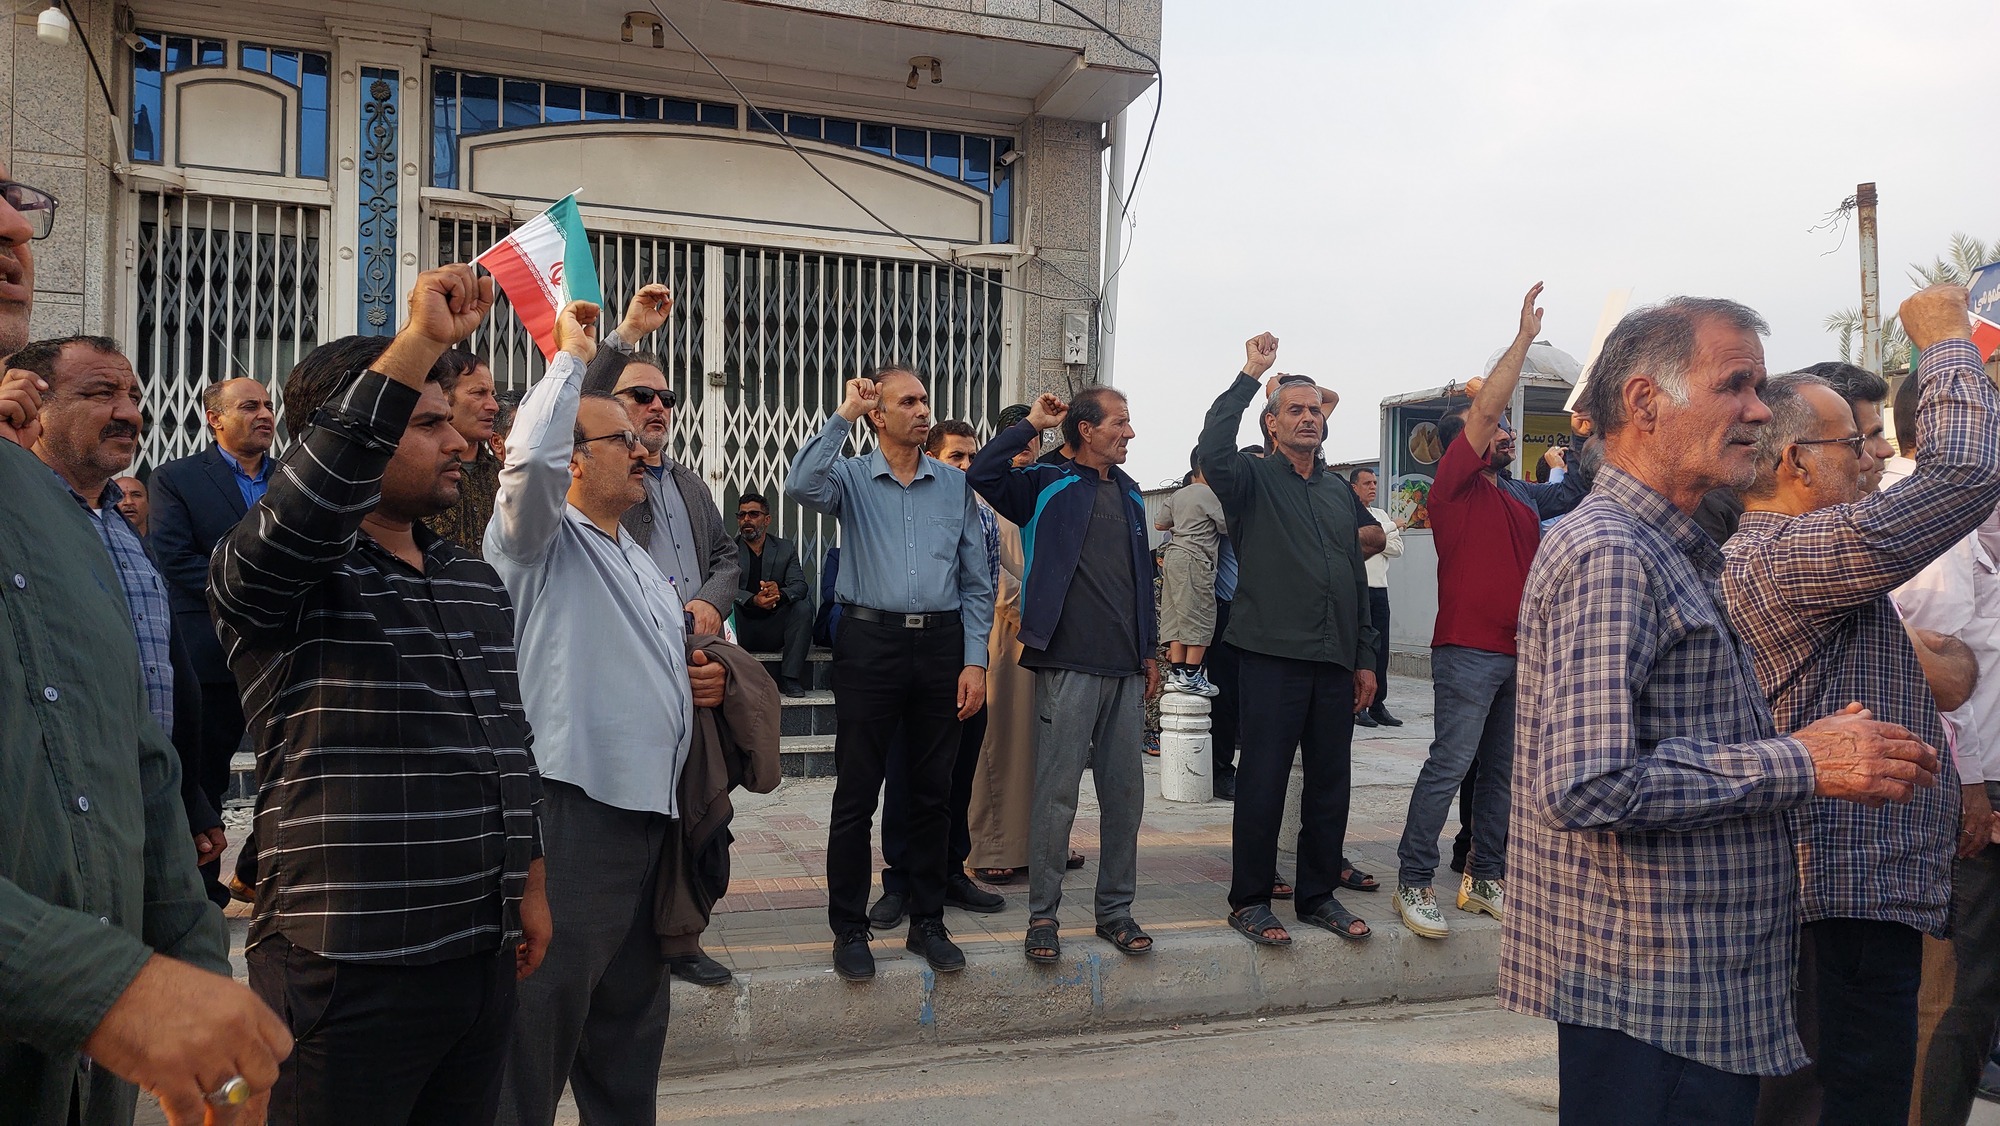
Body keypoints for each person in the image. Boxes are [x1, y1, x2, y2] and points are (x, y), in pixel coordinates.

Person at [1501, 294, 1944, 1124]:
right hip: (1652, 995)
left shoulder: (1672, 548)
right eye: (1735, 386)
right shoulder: (1612, 552)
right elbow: (1586, 785)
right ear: (1644, 402)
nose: (1758, 411)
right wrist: (1802, 760)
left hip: (1694, 988)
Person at [210, 265, 551, 1125]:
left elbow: (509, 741)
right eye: (427, 423)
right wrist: (422, 341)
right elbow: (309, 505)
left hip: (478, 958)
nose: (460, 443)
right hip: (345, 964)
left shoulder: (469, 576)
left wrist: (530, 884)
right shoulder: (278, 570)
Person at [0, 164, 292, 1126]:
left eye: (18, 205)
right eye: (98, 393)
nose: (13, 229)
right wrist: (109, 990)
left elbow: (134, 756)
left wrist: (197, 982)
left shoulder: (72, 524)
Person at [1722, 288, 2000, 1125]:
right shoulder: (1791, 552)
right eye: (1857, 442)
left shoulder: (1812, 559)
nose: (1878, 456)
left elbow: (1956, 674)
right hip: (1825, 903)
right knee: (1827, 1102)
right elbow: (1963, 475)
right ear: (1794, 463)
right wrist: (1946, 340)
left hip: (1855, 896)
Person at [485, 300, 728, 1125]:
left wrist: (697, 685)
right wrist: (571, 358)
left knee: (628, 1038)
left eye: (641, 437)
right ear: (572, 461)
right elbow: (527, 462)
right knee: (537, 1034)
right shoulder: (536, 542)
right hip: (572, 818)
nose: (643, 449)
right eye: (621, 439)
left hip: (647, 823)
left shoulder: (635, 556)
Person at [1392, 284, 1588, 941]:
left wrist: (1591, 430)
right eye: (1499, 429)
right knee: (1450, 765)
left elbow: (1578, 488)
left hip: (1519, 652)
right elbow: (1484, 410)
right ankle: (1414, 880)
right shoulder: (1454, 487)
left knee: (1501, 774)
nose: (1508, 433)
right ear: (1470, 444)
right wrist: (1525, 339)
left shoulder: (1519, 496)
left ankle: (1484, 877)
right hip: (1469, 650)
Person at [787, 364, 993, 981]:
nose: (923, 410)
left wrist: (975, 660)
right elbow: (800, 485)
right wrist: (842, 415)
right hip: (869, 644)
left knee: (933, 793)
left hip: (941, 645)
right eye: (908, 402)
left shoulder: (953, 485)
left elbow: (976, 581)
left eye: (925, 400)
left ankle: (928, 921)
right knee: (856, 794)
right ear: (878, 415)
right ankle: (849, 929)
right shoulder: (850, 478)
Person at [14, 335, 226, 899]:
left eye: (132, 395)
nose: (129, 413)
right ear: (34, 407)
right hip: (56, 814)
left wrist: (187, 794)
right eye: (100, 393)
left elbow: (163, 668)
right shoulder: (18, 518)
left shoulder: (120, 524)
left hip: (146, 804)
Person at [1198, 335, 1377, 947]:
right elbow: (1212, 446)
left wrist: (1365, 658)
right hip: (1272, 658)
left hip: (1334, 660)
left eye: (1315, 410)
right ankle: (1249, 900)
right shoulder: (1249, 479)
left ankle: (1318, 895)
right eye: (1295, 409)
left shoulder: (1336, 492)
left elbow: (1354, 576)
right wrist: (1251, 373)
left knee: (1329, 784)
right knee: (1263, 783)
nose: (1308, 418)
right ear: (1272, 424)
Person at [970, 391, 1158, 962]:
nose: (1131, 433)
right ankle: (1043, 916)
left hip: (1125, 667)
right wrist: (1033, 423)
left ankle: (1116, 911)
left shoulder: (1131, 491)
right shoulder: (1043, 480)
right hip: (1067, 663)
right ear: (1086, 428)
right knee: (1056, 796)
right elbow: (983, 472)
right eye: (1120, 423)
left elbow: (1140, 577)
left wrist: (1149, 652)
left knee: (1125, 798)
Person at [1898, 406, 2000, 1126]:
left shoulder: (1975, 532)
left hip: (1977, 779)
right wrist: (1972, 791)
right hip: (1965, 788)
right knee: (1956, 991)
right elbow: (1939, 682)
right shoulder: (1941, 535)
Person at [870, 419, 1008, 927]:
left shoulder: (983, 515)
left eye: (972, 457)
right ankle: (900, 881)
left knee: (959, 771)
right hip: (913, 654)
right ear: (931, 459)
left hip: (966, 655)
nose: (967, 467)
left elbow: (982, 589)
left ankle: (950, 871)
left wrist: (976, 661)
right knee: (906, 772)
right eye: (956, 457)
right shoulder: (909, 508)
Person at [150, 373, 276, 900]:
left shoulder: (293, 478)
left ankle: (269, 879)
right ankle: (200, 893)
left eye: (267, 405)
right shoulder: (176, 478)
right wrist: (262, 589)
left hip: (288, 649)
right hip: (213, 652)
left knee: (291, 773)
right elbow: (175, 559)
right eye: (249, 406)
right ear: (214, 418)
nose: (264, 414)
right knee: (205, 778)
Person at [588, 284, 739, 638]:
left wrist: (711, 602)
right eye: (642, 395)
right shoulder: (597, 478)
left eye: (666, 398)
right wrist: (628, 333)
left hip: (696, 648)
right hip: (632, 641)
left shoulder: (691, 484)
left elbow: (726, 555)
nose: (657, 406)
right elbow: (581, 402)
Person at [967, 404, 1050, 879]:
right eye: (1016, 440)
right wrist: (1025, 604)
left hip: (1043, 635)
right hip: (1000, 633)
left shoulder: (1043, 488)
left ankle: (1037, 844)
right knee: (998, 744)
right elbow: (986, 568)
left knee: (1040, 746)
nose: (1025, 449)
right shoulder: (985, 494)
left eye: (1032, 440)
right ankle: (992, 848)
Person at [1157, 451, 1225, 698]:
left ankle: (1177, 672)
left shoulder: (1178, 494)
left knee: (1176, 613)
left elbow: (1159, 524)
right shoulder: (1210, 494)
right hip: (1196, 557)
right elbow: (1227, 526)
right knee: (1201, 613)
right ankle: (1192, 674)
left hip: (1173, 554)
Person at [733, 490, 813, 697]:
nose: (746, 520)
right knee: (722, 604)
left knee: (802, 608)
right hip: (740, 627)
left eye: (753, 514)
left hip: (773, 627)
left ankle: (790, 678)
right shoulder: (729, 549)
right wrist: (752, 600)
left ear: (767, 520)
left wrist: (780, 594)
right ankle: (729, 674)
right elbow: (722, 586)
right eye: (742, 515)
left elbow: (800, 585)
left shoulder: (785, 548)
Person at [425, 348, 502, 556]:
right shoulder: (419, 471)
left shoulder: (501, 475)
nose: (493, 406)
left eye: (492, 394)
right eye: (479, 393)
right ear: (443, 397)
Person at [1347, 467, 1401, 728]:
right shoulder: (1350, 512)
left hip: (1380, 589)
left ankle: (1378, 704)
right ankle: (1358, 705)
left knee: (1381, 649)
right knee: (1359, 649)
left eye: (1375, 483)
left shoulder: (1380, 515)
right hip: (1358, 588)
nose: (1372, 487)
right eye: (1367, 483)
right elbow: (1354, 543)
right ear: (1354, 487)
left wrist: (1377, 538)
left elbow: (1397, 548)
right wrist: (1389, 529)